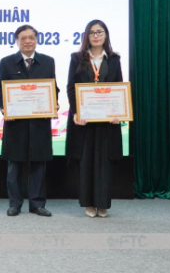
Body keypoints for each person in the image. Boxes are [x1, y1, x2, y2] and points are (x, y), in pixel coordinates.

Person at [0, 24, 58, 217]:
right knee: (14, 166)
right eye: (23, 38)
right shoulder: (7, 62)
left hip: (39, 122)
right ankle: (14, 204)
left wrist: (53, 103)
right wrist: (4, 108)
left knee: (38, 164)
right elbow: (1, 90)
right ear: (17, 41)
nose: (28, 41)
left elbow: (52, 87)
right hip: (16, 123)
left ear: (36, 40)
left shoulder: (48, 61)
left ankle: (37, 204)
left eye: (31, 37)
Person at [66, 20, 124, 218]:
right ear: (86, 36)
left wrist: (119, 113)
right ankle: (89, 204)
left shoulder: (114, 59)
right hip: (84, 121)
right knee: (86, 162)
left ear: (106, 35)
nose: (96, 35)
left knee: (104, 163)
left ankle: (103, 204)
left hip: (107, 121)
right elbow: (71, 87)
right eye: (92, 32)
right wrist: (76, 112)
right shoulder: (77, 58)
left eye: (100, 32)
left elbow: (118, 87)